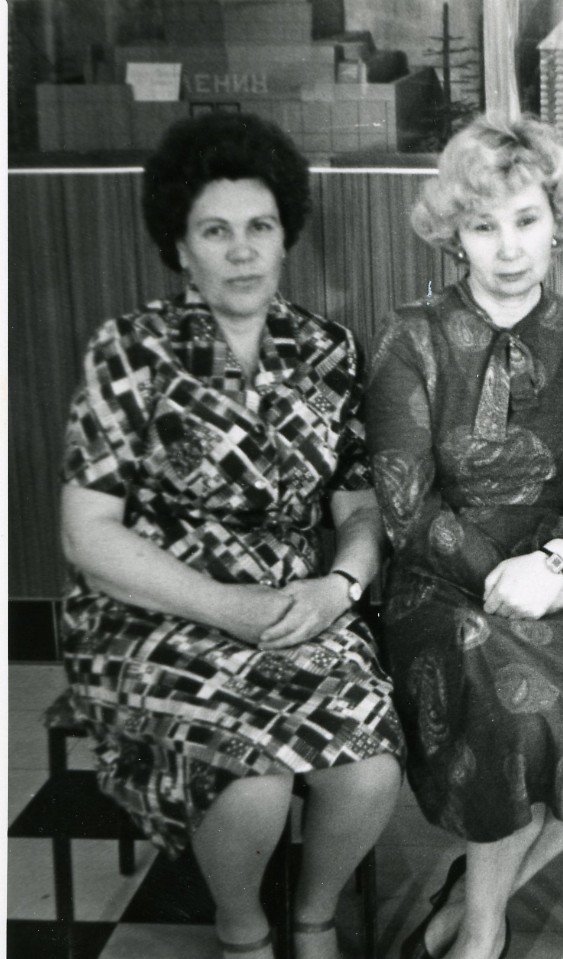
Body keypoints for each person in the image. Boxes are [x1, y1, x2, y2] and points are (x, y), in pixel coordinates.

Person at [58, 113, 405, 959]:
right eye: (216, 231)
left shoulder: (327, 350)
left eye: (261, 227)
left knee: (369, 767)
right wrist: (222, 605)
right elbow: (87, 533)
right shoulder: (130, 351)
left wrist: (339, 588)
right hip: (159, 611)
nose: (243, 251)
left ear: (286, 236)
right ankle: (243, 928)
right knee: (250, 781)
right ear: (181, 247)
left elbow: (360, 509)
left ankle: (313, 916)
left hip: (297, 607)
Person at [364, 114, 563, 959]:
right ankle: (484, 931)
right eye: (483, 226)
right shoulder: (410, 336)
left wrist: (555, 566)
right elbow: (405, 503)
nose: (509, 246)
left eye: (526, 220)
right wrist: (510, 580)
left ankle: (471, 906)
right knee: (509, 707)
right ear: (454, 235)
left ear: (557, 222)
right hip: (442, 589)